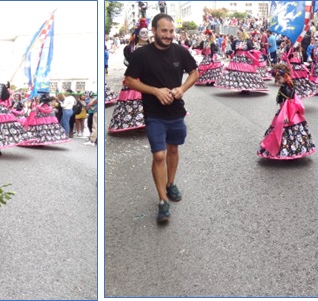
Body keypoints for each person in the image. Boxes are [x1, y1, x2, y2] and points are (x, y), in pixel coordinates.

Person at [123, 13, 198, 223]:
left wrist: (182, 89)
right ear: (154, 31)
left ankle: (170, 183)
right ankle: (163, 201)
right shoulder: (141, 55)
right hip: (154, 114)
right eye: (164, 31)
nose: (168, 35)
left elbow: (194, 73)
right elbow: (129, 80)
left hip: (176, 112)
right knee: (159, 155)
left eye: (171, 31)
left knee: (173, 149)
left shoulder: (180, 52)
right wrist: (155, 91)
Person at [257, 63, 316, 159]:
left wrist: (285, 113)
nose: (278, 81)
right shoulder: (288, 84)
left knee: (285, 129)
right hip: (287, 110)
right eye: (276, 79)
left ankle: (289, 151)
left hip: (287, 112)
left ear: (284, 76)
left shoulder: (286, 87)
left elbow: (287, 100)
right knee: (291, 130)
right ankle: (296, 150)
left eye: (279, 78)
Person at [108, 18, 149, 133]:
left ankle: (151, 121)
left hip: (150, 76)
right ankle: (137, 122)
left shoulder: (153, 47)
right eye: (143, 33)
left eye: (147, 33)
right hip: (135, 77)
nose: (145, 35)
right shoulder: (130, 48)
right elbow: (128, 62)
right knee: (135, 99)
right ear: (137, 35)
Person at [214, 28, 268, 94]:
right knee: (237, 73)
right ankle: (241, 87)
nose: (238, 34)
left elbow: (251, 49)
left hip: (245, 58)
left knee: (246, 73)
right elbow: (233, 48)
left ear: (243, 33)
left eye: (239, 33)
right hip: (237, 58)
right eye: (237, 33)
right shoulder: (236, 41)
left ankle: (247, 88)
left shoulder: (248, 41)